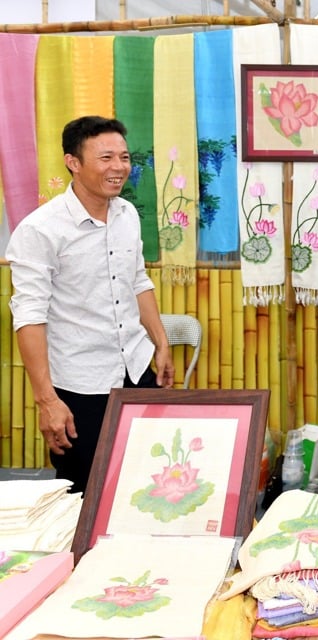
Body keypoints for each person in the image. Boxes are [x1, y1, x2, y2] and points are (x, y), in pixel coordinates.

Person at [6, 115, 175, 495]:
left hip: (135, 371)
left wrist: (160, 343)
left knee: (150, 484)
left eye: (124, 157)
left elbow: (137, 281)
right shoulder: (40, 230)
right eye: (106, 158)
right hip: (81, 387)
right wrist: (48, 400)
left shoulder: (127, 214)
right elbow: (29, 317)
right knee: (87, 495)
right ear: (73, 162)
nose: (119, 168)